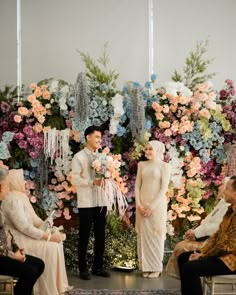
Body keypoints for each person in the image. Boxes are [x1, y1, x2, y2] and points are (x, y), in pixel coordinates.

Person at [1, 168, 71, 295]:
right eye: (21, 179)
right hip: (13, 246)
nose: (24, 182)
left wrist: (48, 228)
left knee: (44, 258)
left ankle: (54, 288)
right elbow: (24, 228)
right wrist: (47, 237)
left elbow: (10, 231)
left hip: (11, 246)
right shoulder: (11, 199)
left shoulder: (20, 197)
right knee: (39, 261)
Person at [178, 175, 236, 295]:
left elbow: (227, 246)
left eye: (227, 189)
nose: (224, 191)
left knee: (189, 268)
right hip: (223, 255)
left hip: (231, 260)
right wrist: (202, 252)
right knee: (183, 257)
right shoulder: (230, 211)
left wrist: (203, 256)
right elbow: (217, 236)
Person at [165, 177, 230, 279]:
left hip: (227, 257)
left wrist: (202, 253)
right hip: (212, 242)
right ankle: (188, 285)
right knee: (183, 253)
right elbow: (208, 222)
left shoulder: (231, 209)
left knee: (183, 252)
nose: (220, 187)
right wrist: (195, 232)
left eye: (223, 186)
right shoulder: (224, 203)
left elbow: (217, 230)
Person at [72, 126, 110, 280]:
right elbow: (75, 178)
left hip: (101, 200)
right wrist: (91, 182)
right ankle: (83, 269)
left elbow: (107, 175)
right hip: (86, 202)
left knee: (101, 235)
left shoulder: (102, 157)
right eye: (96, 137)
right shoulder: (79, 157)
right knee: (84, 236)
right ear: (88, 137)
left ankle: (97, 267)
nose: (99, 140)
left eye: (100, 138)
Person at [0, 166, 44, 295]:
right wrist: (14, 256)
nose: (9, 189)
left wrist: (16, 248)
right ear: (1, 187)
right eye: (8, 185)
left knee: (39, 264)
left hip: (6, 254)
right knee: (30, 271)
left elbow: (7, 233)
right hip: (2, 257)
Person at [135, 140, 171, 278]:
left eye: (151, 149)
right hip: (142, 205)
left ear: (158, 150)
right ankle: (145, 267)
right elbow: (137, 185)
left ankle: (156, 267)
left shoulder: (165, 166)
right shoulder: (141, 165)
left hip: (157, 206)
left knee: (156, 234)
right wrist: (138, 204)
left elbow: (164, 188)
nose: (148, 152)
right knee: (143, 236)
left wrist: (151, 207)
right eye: (146, 149)